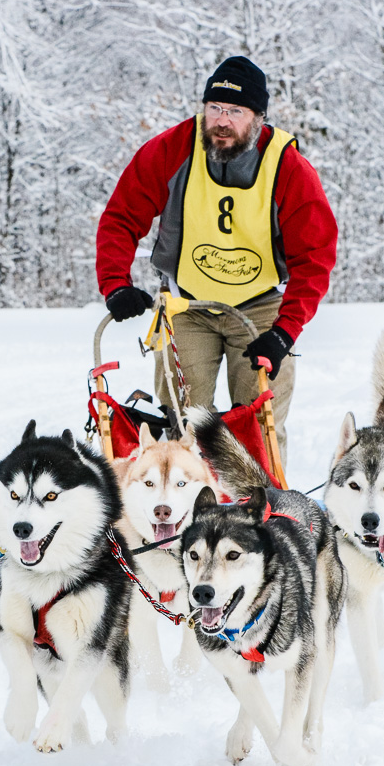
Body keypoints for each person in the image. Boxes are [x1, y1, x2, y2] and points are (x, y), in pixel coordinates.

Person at [96, 56, 337, 463]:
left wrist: (285, 331)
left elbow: (315, 257)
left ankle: (262, 502)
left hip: (261, 307)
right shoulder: (172, 150)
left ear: (258, 118)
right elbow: (121, 217)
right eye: (215, 108)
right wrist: (116, 284)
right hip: (186, 305)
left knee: (260, 429)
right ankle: (189, 501)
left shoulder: (288, 168)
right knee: (186, 427)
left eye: (235, 111)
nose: (222, 121)